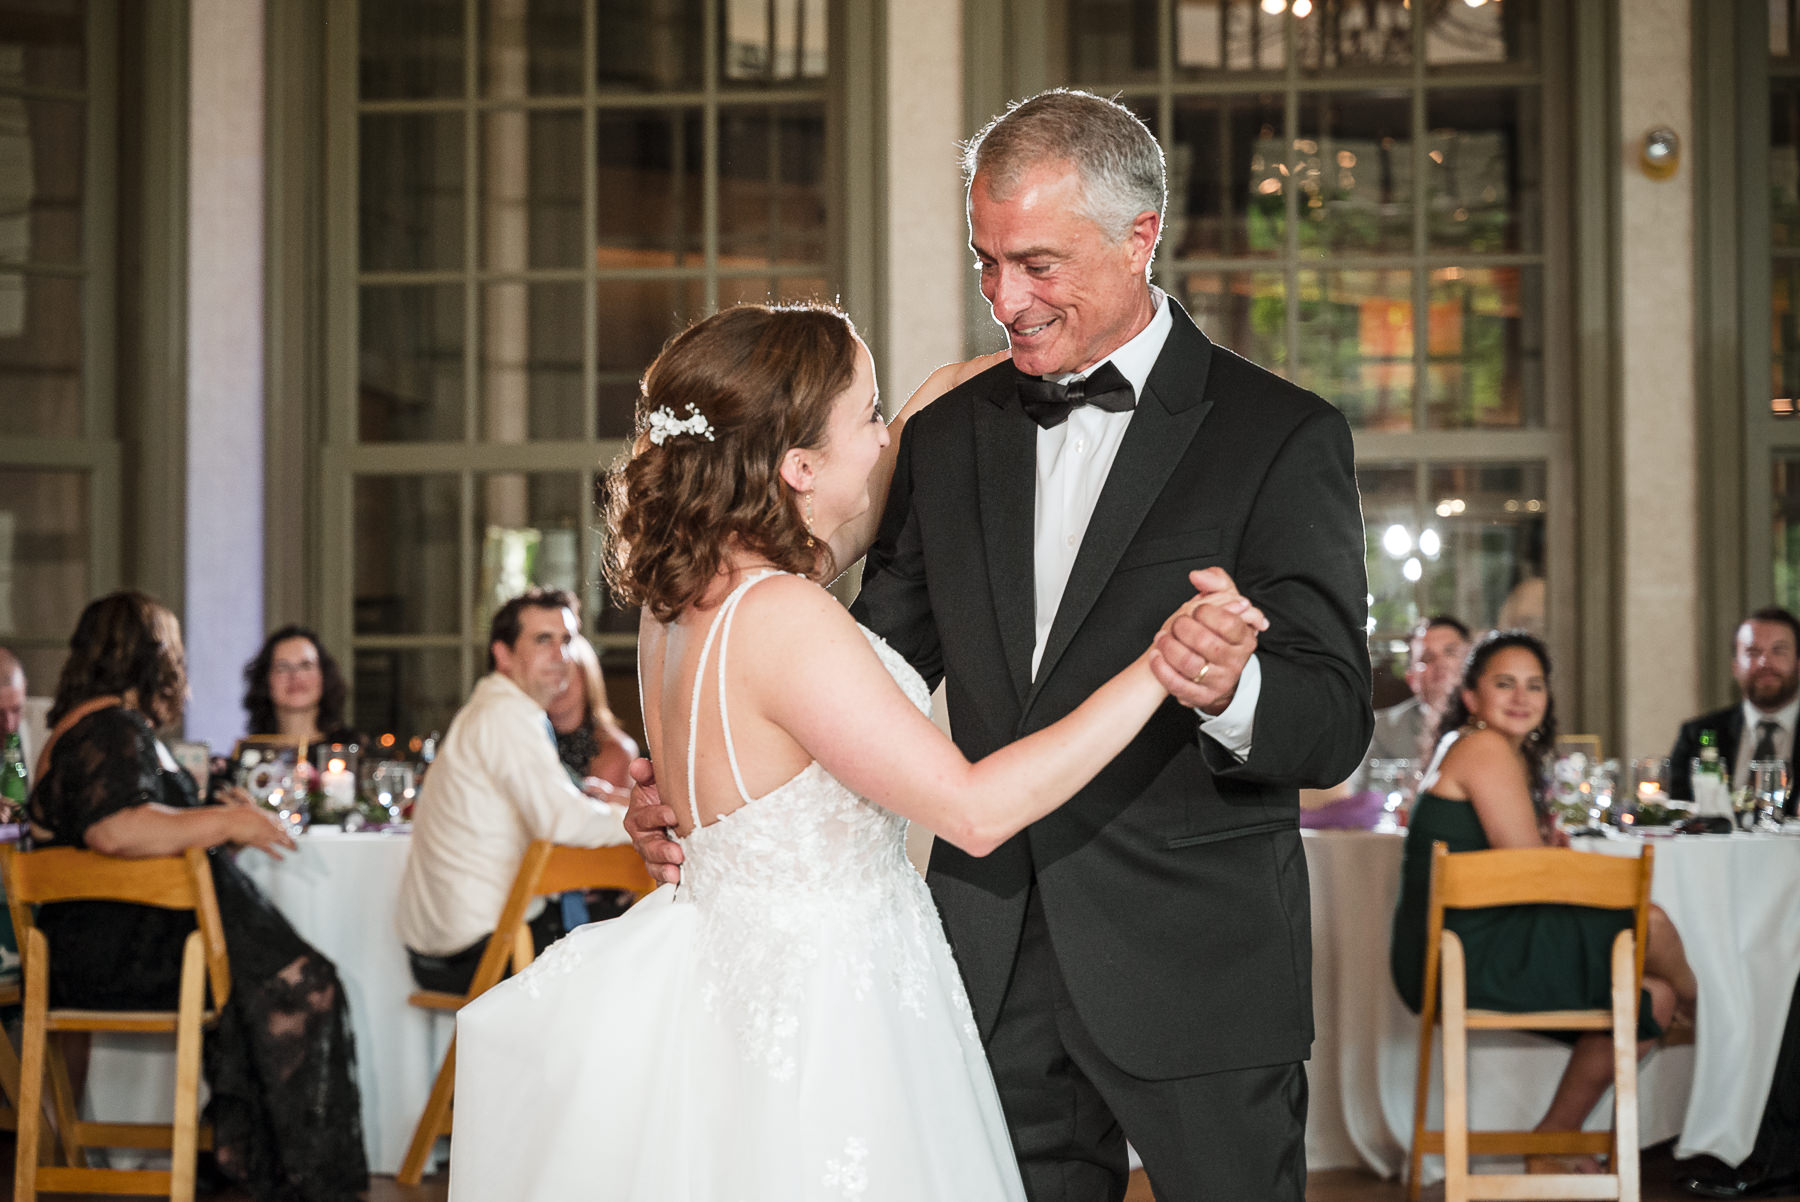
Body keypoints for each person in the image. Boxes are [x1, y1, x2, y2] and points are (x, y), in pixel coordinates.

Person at [627, 89, 1372, 1201]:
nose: (1003, 298)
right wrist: (712, 791)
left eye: (1036, 263)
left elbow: (1334, 721)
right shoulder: (944, 437)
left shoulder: (1279, 436)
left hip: (1197, 969)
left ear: (1139, 237)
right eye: (985, 261)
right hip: (978, 966)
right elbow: (860, 661)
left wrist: (1235, 687)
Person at [447, 302, 1252, 1201]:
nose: (883, 443)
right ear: (795, 466)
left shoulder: (677, 604)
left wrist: (1034, 342)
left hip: (737, 988)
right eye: (864, 418)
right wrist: (1156, 669)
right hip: (832, 1013)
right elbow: (977, 811)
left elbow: (902, 442)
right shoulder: (784, 617)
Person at [24, 592, 367, 1202]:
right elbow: (116, 828)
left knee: (290, 982)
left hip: (104, 945)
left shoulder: (86, 726)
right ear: (148, 656)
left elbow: (128, 819)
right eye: (173, 648)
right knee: (307, 985)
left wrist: (209, 813)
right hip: (124, 954)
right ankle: (301, 1179)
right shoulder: (109, 725)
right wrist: (225, 825)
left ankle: (253, 1161)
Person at [1390, 630, 1698, 1175]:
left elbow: (1519, 858)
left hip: (1460, 947)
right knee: (1650, 922)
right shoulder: (1484, 747)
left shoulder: (1474, 746)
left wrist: (1538, 846)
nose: (1521, 696)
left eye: (1535, 685)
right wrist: (1548, 851)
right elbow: (1536, 874)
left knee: (1655, 999)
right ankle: (1716, 1021)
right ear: (1471, 697)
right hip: (1466, 952)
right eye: (1504, 683)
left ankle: (1552, 1141)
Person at [395, 587, 628, 996]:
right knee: (628, 963)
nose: (561, 655)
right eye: (543, 640)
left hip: (455, 941)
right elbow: (562, 822)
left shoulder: (500, 709)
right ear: (502, 654)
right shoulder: (506, 715)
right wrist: (638, 821)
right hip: (478, 948)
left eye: (567, 640)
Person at [1668, 606, 1800, 801]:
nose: (1765, 662)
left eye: (1778, 651)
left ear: (1798, 664)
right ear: (1735, 666)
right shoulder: (1698, 735)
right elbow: (1678, 813)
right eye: (1753, 652)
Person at [1344, 614, 1471, 795]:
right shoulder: (1382, 730)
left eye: (1451, 652)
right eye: (1427, 658)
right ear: (1411, 679)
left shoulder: (1493, 722)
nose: (1441, 663)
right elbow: (1367, 800)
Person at [241, 625, 359, 747]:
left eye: (306, 665)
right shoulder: (250, 754)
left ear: (324, 675)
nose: (295, 676)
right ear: (265, 679)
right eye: (283, 668)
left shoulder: (352, 751)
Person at [547, 631, 636, 789]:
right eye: (549, 675)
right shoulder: (530, 732)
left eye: (566, 673)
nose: (558, 685)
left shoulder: (615, 749)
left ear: (587, 675)